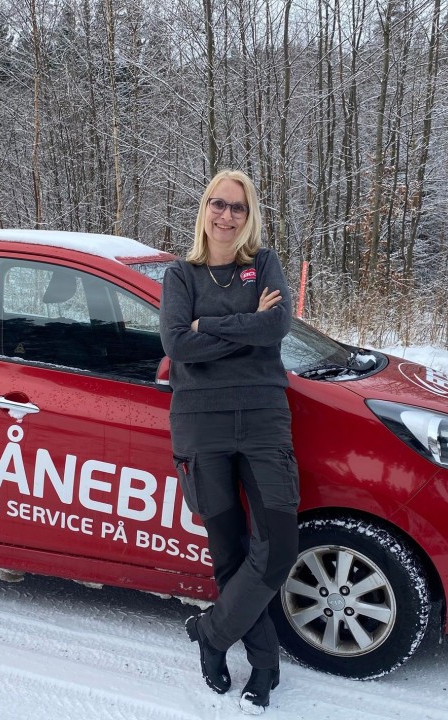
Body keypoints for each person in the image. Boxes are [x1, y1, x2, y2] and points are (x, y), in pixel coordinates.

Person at [159, 169, 299, 714]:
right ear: (205, 209)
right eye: (218, 204)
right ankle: (264, 666)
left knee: (278, 548)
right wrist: (246, 323)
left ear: (250, 215)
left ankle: (213, 634)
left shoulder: (262, 264)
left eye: (238, 208)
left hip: (264, 418)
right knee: (229, 552)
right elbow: (176, 343)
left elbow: (278, 325)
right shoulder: (180, 274)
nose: (226, 216)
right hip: (200, 424)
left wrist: (207, 331)